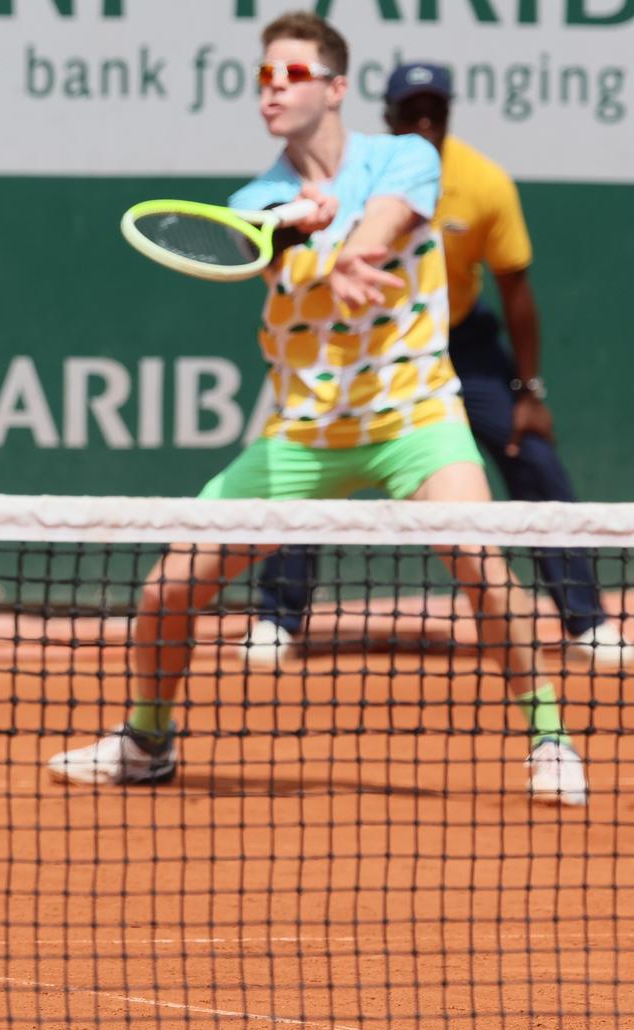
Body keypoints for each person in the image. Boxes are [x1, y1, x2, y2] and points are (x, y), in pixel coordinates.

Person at [45, 11, 587, 807]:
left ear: (335, 89)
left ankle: (550, 739)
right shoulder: (255, 198)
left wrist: (353, 246)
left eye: (292, 74)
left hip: (413, 417)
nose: (273, 88)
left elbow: (390, 220)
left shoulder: (406, 156)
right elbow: (267, 248)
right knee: (167, 589)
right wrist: (301, 238)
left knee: (481, 561)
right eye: (264, 75)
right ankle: (148, 739)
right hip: (303, 434)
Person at [241, 62, 630, 670]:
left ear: (449, 114)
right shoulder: (360, 173)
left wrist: (528, 391)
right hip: (368, 345)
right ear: (389, 117)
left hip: (462, 343)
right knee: (309, 463)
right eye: (411, 111)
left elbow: (516, 291)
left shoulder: (483, 181)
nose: (424, 120)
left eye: (435, 110)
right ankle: (277, 618)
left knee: (531, 456)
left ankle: (586, 622)